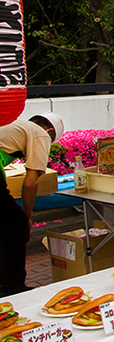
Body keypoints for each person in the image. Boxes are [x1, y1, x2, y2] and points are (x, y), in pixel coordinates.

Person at [0, 111, 64, 297]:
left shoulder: (15, 125)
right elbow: (30, 183)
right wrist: (26, 217)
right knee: (16, 226)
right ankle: (12, 289)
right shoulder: (40, 133)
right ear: (49, 130)